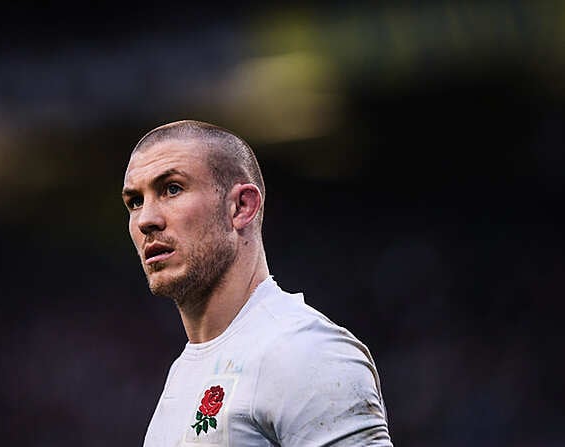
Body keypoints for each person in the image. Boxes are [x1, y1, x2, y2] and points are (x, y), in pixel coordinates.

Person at [122, 120, 392, 446]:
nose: (146, 219)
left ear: (242, 206)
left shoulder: (304, 353)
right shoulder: (185, 371)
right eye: (135, 201)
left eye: (172, 189)